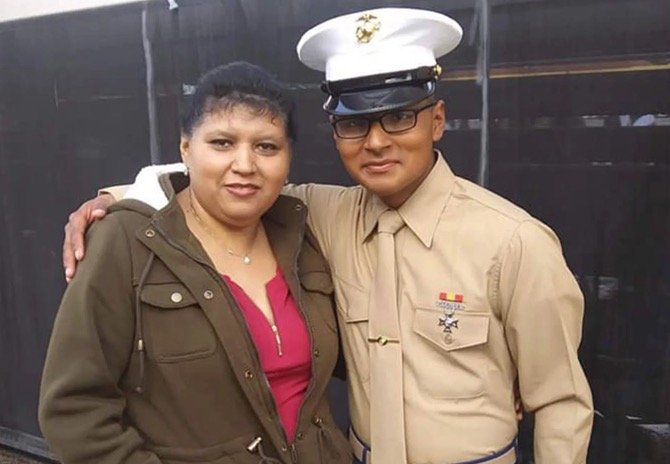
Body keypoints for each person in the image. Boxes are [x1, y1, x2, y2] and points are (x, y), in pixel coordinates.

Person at [61, 8, 594, 464]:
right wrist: (116, 199)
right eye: (355, 123)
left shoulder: (513, 242)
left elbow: (561, 402)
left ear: (436, 120)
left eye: (399, 117)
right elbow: (227, 185)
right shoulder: (321, 214)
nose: (376, 142)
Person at [39, 61, 352, 464]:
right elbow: (74, 408)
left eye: (266, 146)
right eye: (222, 143)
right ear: (185, 147)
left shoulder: (304, 235)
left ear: (288, 157)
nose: (245, 164)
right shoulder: (127, 241)